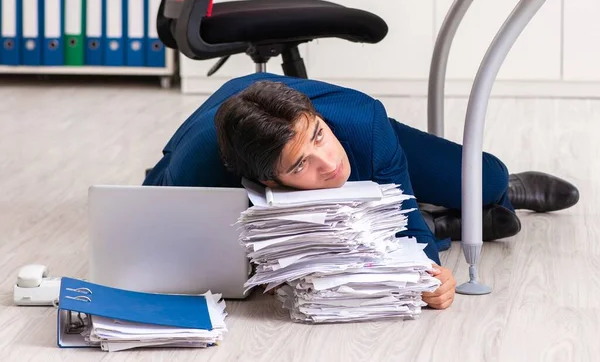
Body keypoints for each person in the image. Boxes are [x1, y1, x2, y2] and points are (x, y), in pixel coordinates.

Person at [144, 72, 579, 310]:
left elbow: (405, 219)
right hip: (221, 150)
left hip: (364, 141)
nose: (330, 164)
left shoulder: (362, 124)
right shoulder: (196, 172)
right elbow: (154, 219)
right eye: (301, 164)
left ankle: (505, 192)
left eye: (317, 136)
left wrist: (428, 274)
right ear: (268, 181)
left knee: (487, 177)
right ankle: (450, 219)